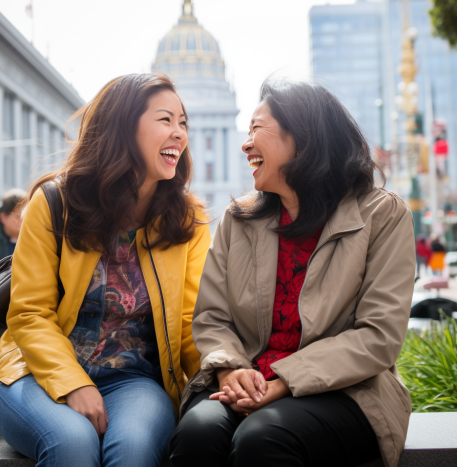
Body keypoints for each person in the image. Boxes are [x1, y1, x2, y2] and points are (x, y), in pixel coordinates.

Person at [170, 78, 416, 467]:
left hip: (347, 390)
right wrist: (231, 370)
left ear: (303, 136)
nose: (245, 144)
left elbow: (378, 336)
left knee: (263, 438)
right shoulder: (239, 218)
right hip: (245, 377)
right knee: (198, 433)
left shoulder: (383, 215)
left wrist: (284, 382)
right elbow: (212, 318)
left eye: (256, 129)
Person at [0, 74, 210, 467]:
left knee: (134, 451)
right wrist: (72, 383)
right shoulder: (55, 202)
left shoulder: (187, 220)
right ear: (123, 127)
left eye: (183, 122)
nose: (179, 133)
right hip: (34, 374)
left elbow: (191, 324)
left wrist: (220, 376)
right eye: (165, 120)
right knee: (72, 444)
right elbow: (29, 313)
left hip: (134, 382)